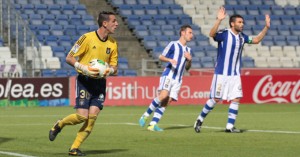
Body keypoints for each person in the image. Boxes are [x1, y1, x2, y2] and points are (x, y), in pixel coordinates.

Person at [49, 11, 118, 156]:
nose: (117, 24)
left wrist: (108, 71)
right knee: (81, 117)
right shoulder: (86, 38)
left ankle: (74, 148)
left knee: (92, 117)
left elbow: (115, 68)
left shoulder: (113, 44)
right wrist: (84, 68)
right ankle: (59, 124)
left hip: (99, 84)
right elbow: (69, 58)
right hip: (85, 81)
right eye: (114, 21)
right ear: (105, 23)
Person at [194, 7, 270, 133]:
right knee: (215, 99)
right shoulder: (224, 34)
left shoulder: (242, 37)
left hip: (235, 74)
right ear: (232, 23)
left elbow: (256, 40)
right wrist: (218, 20)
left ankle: (230, 126)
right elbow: (212, 34)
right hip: (221, 73)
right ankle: (200, 119)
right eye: (239, 22)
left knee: (236, 98)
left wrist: (266, 27)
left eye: (243, 22)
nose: (242, 24)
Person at [139, 25, 193, 131]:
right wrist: (170, 60)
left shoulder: (188, 50)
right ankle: (145, 115)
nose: (192, 35)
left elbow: (187, 68)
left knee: (167, 101)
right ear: (183, 33)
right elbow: (160, 56)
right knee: (163, 96)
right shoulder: (173, 44)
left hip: (178, 79)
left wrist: (189, 60)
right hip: (169, 75)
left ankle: (152, 125)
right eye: (190, 32)